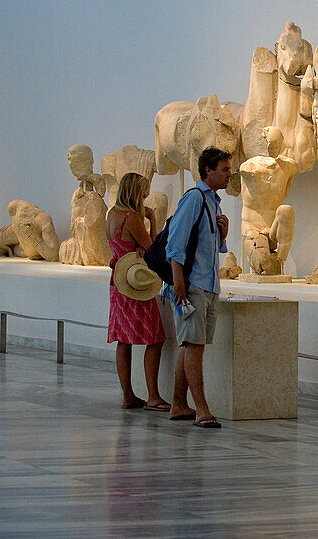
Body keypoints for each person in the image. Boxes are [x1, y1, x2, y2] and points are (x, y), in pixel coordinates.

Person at [166, 147, 231, 428]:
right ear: (209, 170)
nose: (229, 174)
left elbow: (210, 246)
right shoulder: (194, 198)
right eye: (225, 169)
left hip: (208, 284)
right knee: (194, 346)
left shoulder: (213, 202)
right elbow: (175, 244)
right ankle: (202, 408)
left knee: (192, 345)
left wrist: (224, 233)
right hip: (193, 285)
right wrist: (179, 282)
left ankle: (179, 404)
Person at [105, 172, 169, 410]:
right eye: (144, 191)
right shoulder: (131, 217)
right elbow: (153, 248)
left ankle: (128, 394)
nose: (146, 195)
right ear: (136, 192)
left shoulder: (112, 214)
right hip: (135, 285)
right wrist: (153, 221)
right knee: (155, 338)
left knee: (124, 340)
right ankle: (153, 396)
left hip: (118, 282)